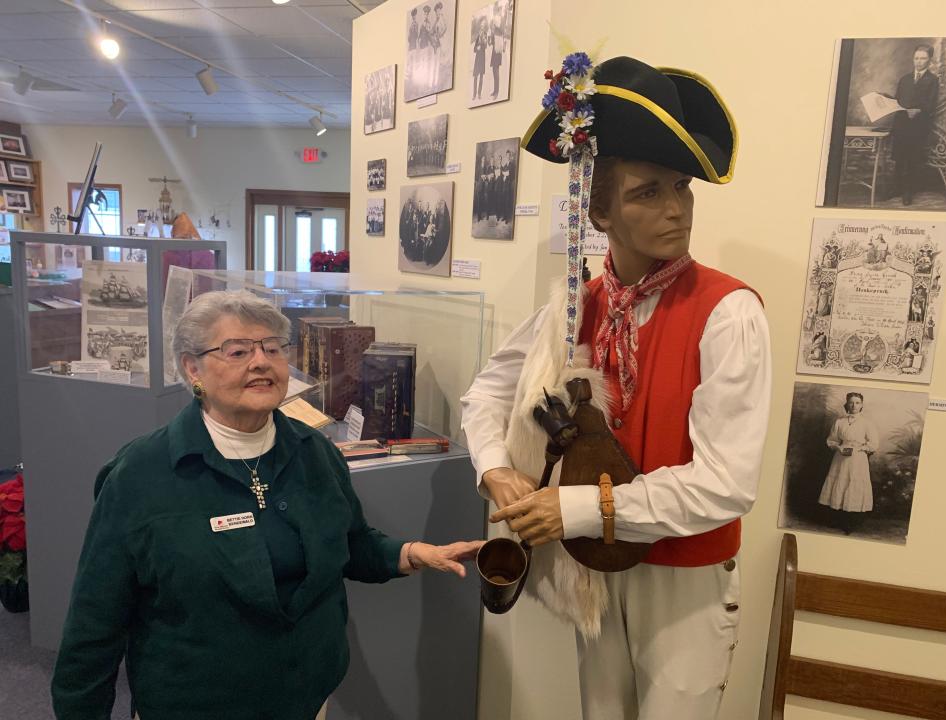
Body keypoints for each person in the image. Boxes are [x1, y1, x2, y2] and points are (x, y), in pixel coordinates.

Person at [461, 55, 771, 720]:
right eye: (648, 192)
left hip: (683, 579)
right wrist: (497, 473)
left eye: (682, 188)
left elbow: (727, 482)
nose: (677, 210)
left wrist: (571, 510)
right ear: (599, 209)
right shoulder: (577, 305)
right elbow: (484, 395)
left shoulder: (728, 311)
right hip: (595, 569)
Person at [52, 291, 483, 720]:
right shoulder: (142, 474)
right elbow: (95, 622)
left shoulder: (315, 452)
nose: (261, 362)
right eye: (237, 350)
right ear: (192, 368)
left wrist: (411, 554)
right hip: (192, 705)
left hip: (308, 698)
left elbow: (350, 542)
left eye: (272, 348)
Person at [818, 392, 877, 534]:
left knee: (853, 485)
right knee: (840, 484)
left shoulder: (866, 423)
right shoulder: (839, 422)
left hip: (857, 459)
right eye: (851, 402)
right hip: (840, 458)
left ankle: (850, 523)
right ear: (847, 404)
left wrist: (861, 448)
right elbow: (831, 440)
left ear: (861, 405)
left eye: (857, 403)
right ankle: (838, 519)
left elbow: (874, 443)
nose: (854, 405)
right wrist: (838, 447)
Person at [892, 44, 939, 206]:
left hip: (919, 124)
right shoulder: (904, 79)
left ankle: (908, 191)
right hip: (902, 123)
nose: (919, 62)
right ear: (913, 59)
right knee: (899, 156)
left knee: (912, 158)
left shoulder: (932, 80)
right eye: (916, 58)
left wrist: (918, 111)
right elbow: (897, 99)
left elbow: (931, 104)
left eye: (923, 58)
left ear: (929, 60)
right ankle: (896, 187)